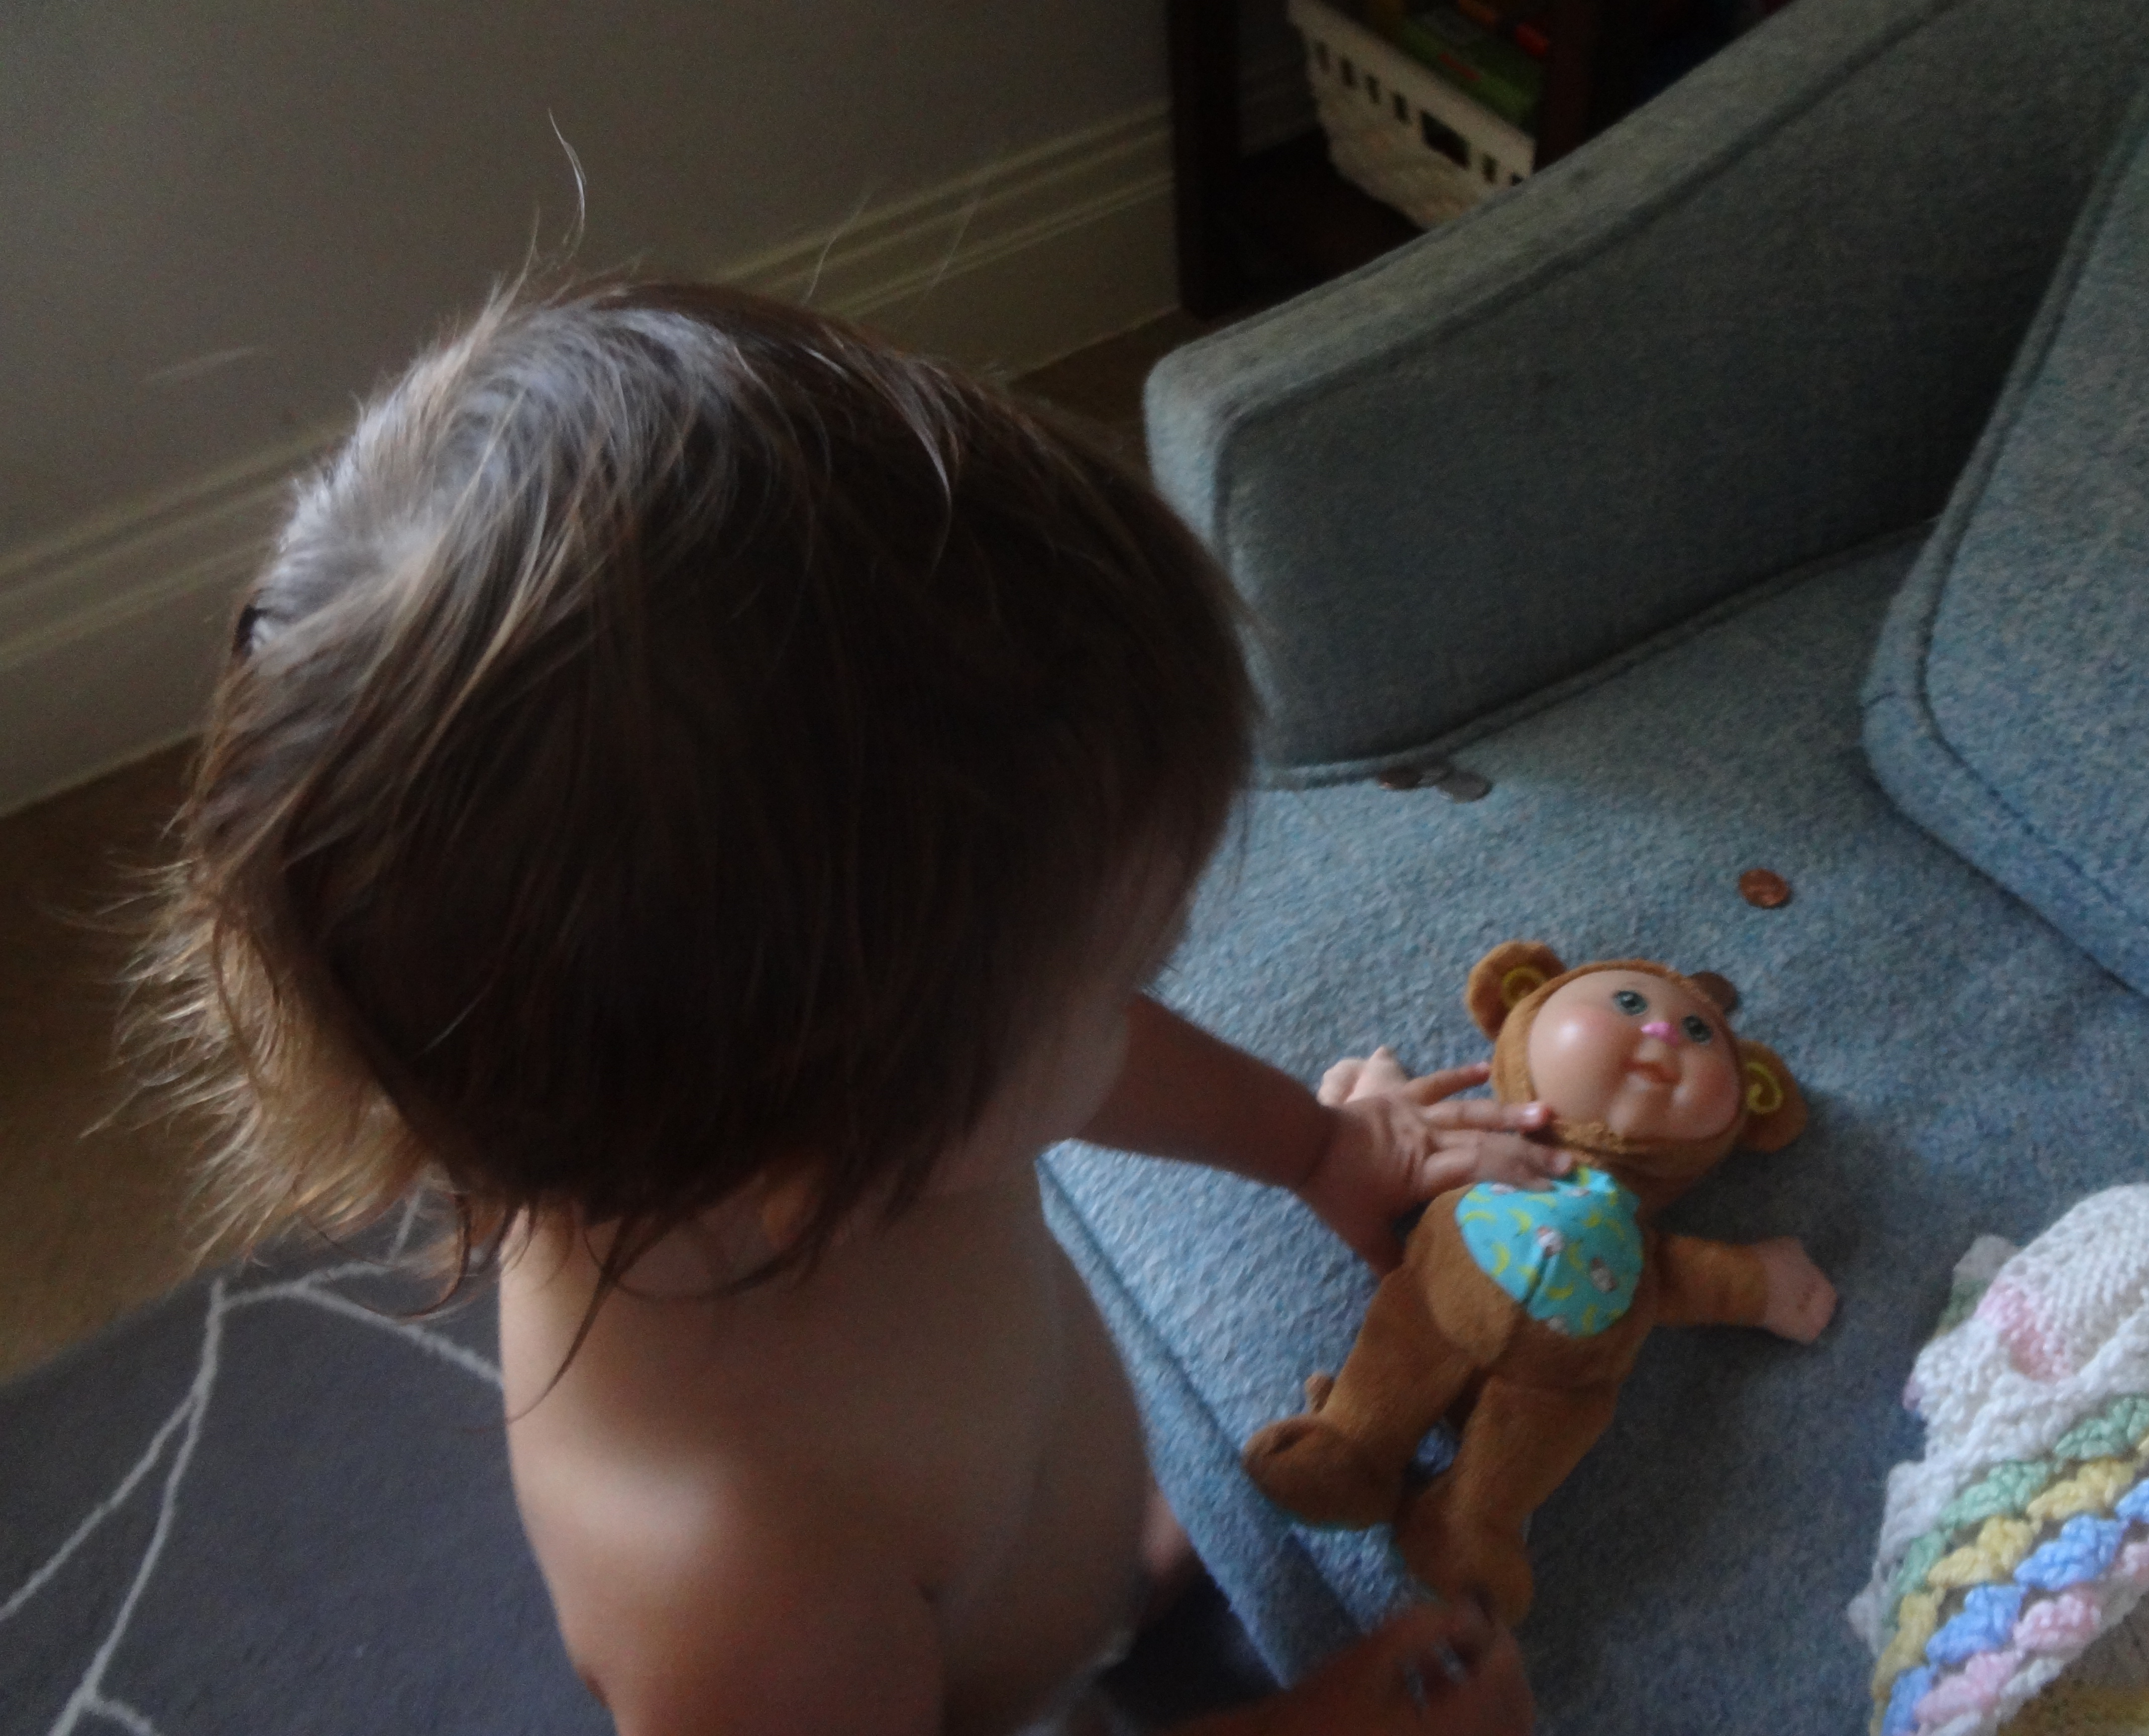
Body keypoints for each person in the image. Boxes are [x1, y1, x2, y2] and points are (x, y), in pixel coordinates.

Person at [141, 280, 1564, 1734]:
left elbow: (1087, 1062)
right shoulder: (738, 1592)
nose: (1139, 993)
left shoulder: (843, 1096)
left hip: (1018, 1552)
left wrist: (1322, 1148)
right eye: (1106, 982)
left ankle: (1097, 1579)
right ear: (834, 1120)